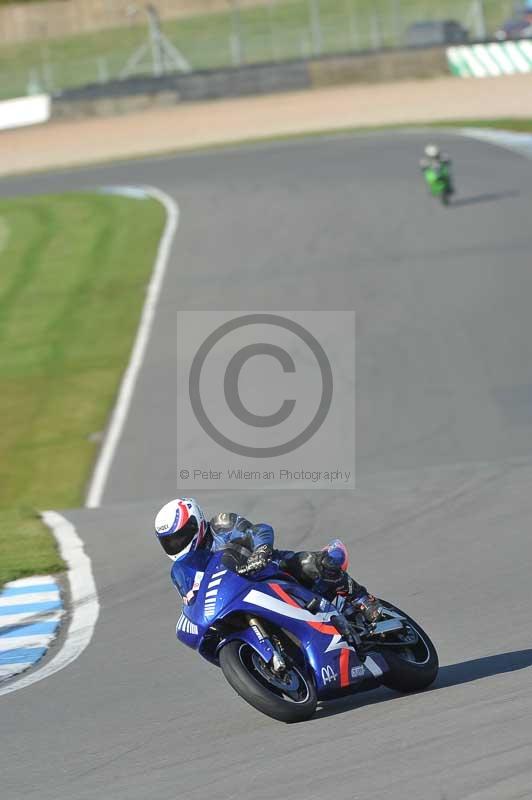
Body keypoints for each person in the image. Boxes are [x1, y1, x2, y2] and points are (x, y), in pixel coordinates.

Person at [154, 498, 381, 622]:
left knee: (311, 564)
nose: (177, 543)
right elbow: (191, 601)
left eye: (182, 536)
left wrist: (261, 551)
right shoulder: (181, 570)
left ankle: (362, 599)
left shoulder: (220, 525)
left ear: (197, 523)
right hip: (233, 600)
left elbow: (258, 530)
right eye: (170, 541)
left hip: (268, 571)